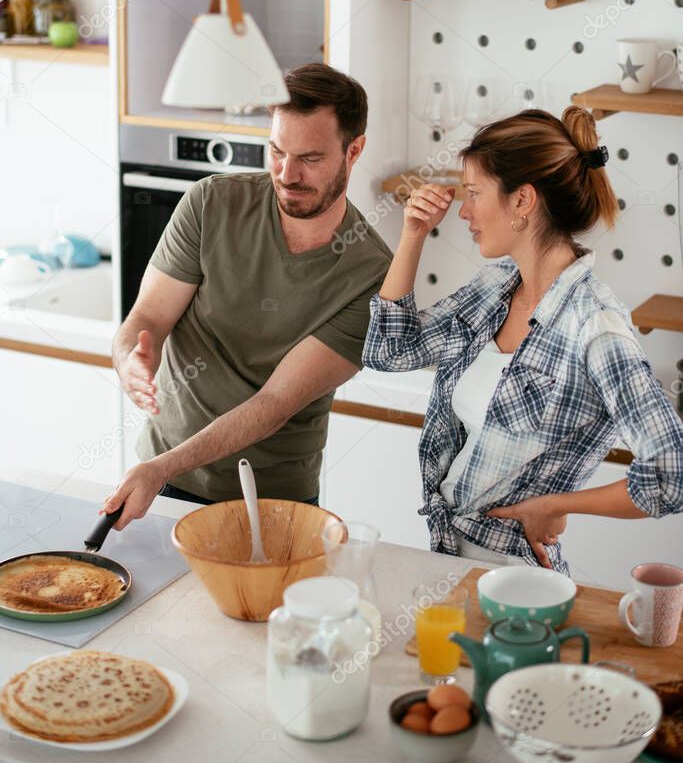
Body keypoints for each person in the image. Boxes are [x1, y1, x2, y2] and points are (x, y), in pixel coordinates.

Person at [363, 107, 683, 573]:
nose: (464, 211)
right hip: (447, 558)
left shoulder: (595, 327)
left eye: (474, 194)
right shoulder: (495, 287)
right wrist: (412, 236)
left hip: (519, 583)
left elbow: (672, 472)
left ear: (522, 201)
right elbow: (388, 351)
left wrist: (557, 505)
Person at [104, 63, 392, 529]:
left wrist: (162, 467)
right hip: (160, 483)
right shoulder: (210, 202)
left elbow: (273, 404)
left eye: (311, 159)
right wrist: (129, 360)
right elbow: (148, 318)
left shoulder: (371, 275)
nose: (287, 173)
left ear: (353, 150)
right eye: (276, 151)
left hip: (273, 502)